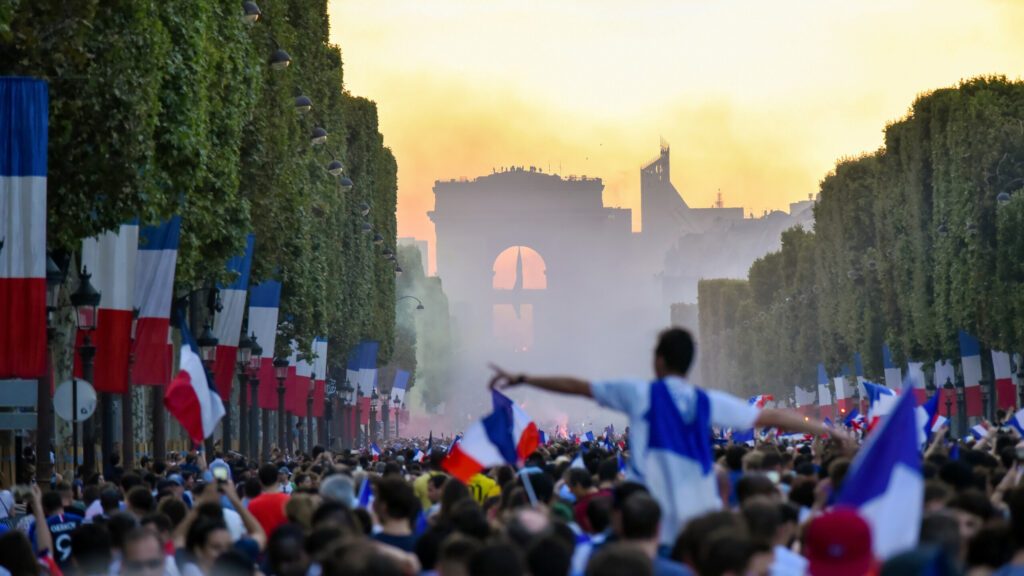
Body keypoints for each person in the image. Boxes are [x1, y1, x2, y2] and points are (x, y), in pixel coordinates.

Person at [489, 327, 846, 546]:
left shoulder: (639, 394)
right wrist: (827, 430)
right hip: (701, 529)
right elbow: (772, 416)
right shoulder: (707, 401)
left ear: (659, 361)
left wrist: (523, 378)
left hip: (651, 526)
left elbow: (579, 387)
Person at [29, 488, 83, 568]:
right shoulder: (79, 520)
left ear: (44, 508)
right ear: (61, 504)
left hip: (54, 571)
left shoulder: (39, 526)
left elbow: (35, 552)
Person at [247, 463, 289, 536]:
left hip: (263, 544)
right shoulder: (288, 501)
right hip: (284, 544)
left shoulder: (253, 504)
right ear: (277, 478)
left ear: (260, 481)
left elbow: (250, 529)